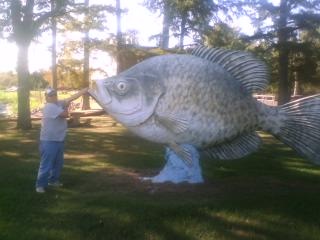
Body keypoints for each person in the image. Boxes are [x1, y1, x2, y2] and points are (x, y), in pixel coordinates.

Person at [35, 87, 88, 193]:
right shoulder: (49, 107)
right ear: (46, 97)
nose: (53, 96)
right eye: (50, 95)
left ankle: (53, 181)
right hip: (49, 140)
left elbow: (71, 98)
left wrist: (84, 90)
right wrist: (66, 107)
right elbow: (65, 115)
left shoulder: (58, 103)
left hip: (58, 139)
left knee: (58, 163)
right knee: (46, 164)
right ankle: (40, 185)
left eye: (54, 94)